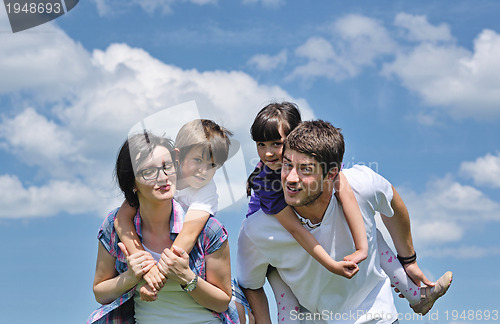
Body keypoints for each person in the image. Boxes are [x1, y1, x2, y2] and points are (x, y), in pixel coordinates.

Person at [238, 119, 452, 323]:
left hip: (376, 315)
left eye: (306, 169)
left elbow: (394, 203)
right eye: (287, 165)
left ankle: (417, 297)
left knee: (373, 236)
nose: (292, 178)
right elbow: (250, 283)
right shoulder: (258, 229)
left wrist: (408, 259)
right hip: (317, 318)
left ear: (332, 174)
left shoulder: (361, 185)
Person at [87, 132, 238, 323]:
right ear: (132, 182)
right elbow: (100, 293)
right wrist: (131, 277)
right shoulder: (114, 226)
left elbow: (222, 302)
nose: (163, 177)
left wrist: (188, 278)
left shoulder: (209, 230)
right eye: (148, 172)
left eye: (167, 167)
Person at [113, 119, 233, 301]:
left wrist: (155, 279)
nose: (203, 171)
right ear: (178, 156)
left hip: (200, 269)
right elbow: (121, 218)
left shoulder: (206, 191)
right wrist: (140, 259)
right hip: (156, 253)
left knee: (238, 308)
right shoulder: (163, 174)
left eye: (212, 165)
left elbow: (188, 236)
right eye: (197, 160)